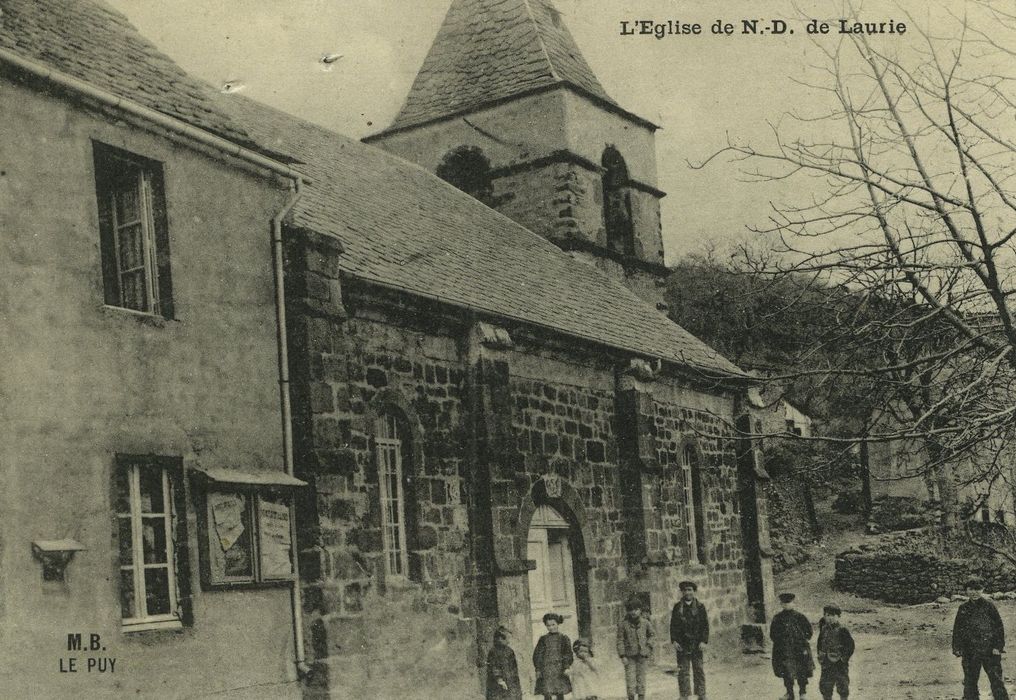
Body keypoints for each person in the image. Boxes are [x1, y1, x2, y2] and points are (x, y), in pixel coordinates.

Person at [953, 577, 1010, 700]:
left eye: (977, 589)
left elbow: (998, 628)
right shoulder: (963, 608)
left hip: (989, 650)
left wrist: (997, 647)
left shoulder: (989, 607)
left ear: (983, 590)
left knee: (996, 680)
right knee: (970, 681)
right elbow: (958, 629)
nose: (974, 592)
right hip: (970, 651)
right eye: (971, 589)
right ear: (966, 591)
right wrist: (957, 647)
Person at [670, 580, 709, 700]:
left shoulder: (700, 607)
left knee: (699, 670)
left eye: (690, 590)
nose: (687, 592)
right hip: (683, 644)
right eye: (685, 590)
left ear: (694, 591)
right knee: (683, 671)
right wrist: (674, 641)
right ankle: (684, 695)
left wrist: (703, 641)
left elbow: (705, 626)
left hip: (697, 644)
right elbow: (673, 626)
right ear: (682, 592)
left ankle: (701, 694)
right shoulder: (677, 607)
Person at [770, 592, 814, 700]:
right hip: (784, 650)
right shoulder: (777, 618)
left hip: (799, 649)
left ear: (793, 603)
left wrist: (801, 641)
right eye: (784, 603)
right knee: (786, 671)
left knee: (801, 670)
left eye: (789, 603)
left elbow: (809, 632)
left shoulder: (800, 617)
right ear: (781, 604)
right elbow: (773, 634)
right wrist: (780, 644)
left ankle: (803, 693)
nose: (786, 605)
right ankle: (789, 693)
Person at [617, 596, 654, 700]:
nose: (633, 612)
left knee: (641, 678)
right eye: (630, 610)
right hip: (629, 657)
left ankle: (642, 697)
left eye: (636, 609)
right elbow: (620, 640)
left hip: (642, 655)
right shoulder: (623, 624)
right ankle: (631, 697)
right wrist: (622, 655)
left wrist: (648, 647)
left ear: (640, 610)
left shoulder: (645, 623)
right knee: (630, 679)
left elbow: (652, 635)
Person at [816, 605, 854, 700]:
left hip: (839, 663)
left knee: (842, 685)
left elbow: (850, 646)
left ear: (838, 616)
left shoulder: (842, 630)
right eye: (827, 615)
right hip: (826, 663)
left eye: (833, 615)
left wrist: (843, 659)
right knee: (825, 686)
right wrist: (821, 655)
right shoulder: (824, 629)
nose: (830, 618)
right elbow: (819, 643)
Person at [533, 612, 573, 700]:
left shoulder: (563, 638)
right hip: (546, 670)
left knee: (560, 692)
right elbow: (538, 655)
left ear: (558, 624)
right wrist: (538, 669)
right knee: (547, 692)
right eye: (548, 625)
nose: (551, 627)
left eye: (553, 625)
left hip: (559, 669)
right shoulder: (543, 639)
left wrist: (566, 667)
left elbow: (567, 653)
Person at [486, 625, 522, 700]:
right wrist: (499, 679)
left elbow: (514, 668)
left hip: (510, 682)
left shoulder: (509, 651)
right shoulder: (493, 652)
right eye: (507, 639)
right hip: (498, 683)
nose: (509, 641)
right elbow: (493, 667)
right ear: (500, 639)